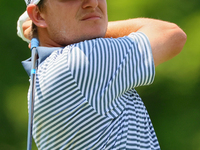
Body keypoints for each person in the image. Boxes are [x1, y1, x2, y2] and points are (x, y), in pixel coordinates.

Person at [17, 0, 187, 149]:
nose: (93, 2)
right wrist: (94, 22)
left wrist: (49, 25)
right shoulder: (79, 61)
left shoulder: (45, 73)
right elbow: (171, 35)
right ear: (37, 16)